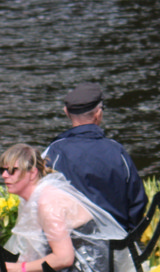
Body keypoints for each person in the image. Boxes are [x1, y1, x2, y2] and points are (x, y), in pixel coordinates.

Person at [0, 143, 135, 272]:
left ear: (32, 173)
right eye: (2, 170)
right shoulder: (35, 196)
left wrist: (20, 269)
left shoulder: (48, 202)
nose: (4, 176)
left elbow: (64, 257)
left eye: (12, 170)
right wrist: (10, 266)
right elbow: (38, 245)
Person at [43, 83, 148, 233]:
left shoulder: (54, 152)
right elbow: (137, 200)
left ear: (66, 112)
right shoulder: (117, 151)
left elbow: (41, 199)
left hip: (71, 242)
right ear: (98, 114)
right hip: (116, 240)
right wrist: (127, 234)